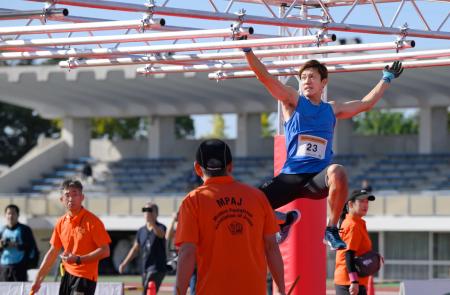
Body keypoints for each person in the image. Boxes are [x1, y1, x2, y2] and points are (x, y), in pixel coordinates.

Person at [243, 47, 403, 249]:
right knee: (248, 206)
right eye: (303, 78)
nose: (307, 81)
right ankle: (285, 219)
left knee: (338, 171)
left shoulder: (331, 109)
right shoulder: (292, 100)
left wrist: (386, 78)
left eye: (312, 77)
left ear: (323, 83)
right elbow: (265, 78)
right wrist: (247, 51)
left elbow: (365, 104)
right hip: (291, 176)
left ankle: (331, 229)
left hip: (317, 179)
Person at [175, 139, 286, 295]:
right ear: (231, 167)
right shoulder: (257, 197)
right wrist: (281, 290)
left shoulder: (193, 201)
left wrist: (179, 292)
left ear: (197, 169)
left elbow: (187, 252)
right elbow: (271, 247)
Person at [31, 180, 111, 295]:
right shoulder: (61, 222)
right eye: (67, 195)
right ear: (61, 199)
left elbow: (105, 251)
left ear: (82, 197)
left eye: (75, 194)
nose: (71, 199)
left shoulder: (93, 221)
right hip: (66, 275)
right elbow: (52, 252)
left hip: (85, 277)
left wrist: (78, 259)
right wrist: (38, 280)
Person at [334, 189, 377, 295]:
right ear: (351, 204)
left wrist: (375, 257)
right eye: (361, 201)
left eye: (367, 201)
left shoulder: (356, 223)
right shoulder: (353, 225)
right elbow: (348, 255)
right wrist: (353, 281)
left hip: (352, 280)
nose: (365, 204)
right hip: (350, 282)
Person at [119, 202, 167, 295]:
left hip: (157, 268)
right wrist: (124, 263)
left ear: (156, 213)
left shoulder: (161, 227)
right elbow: (135, 249)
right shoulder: (141, 231)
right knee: (147, 292)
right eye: (145, 211)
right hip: (145, 268)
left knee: (147, 291)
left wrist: (152, 223)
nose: (146, 213)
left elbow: (161, 234)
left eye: (149, 211)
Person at [0, 204, 39, 282]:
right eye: (8, 213)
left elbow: (31, 247)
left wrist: (15, 245)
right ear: (5, 215)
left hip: (19, 268)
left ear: (18, 215)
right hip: (3, 267)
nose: (11, 216)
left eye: (13, 213)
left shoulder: (24, 229)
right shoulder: (2, 230)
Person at [166, 211, 197, 295]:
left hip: (194, 266)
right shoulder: (179, 229)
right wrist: (173, 220)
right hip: (182, 264)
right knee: (177, 291)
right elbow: (167, 236)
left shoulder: (192, 226)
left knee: (194, 291)